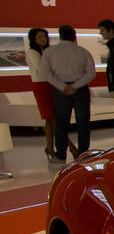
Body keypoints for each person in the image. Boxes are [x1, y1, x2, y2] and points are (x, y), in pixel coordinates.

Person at [39, 25, 95, 162]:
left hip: (61, 90)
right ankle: (83, 154)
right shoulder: (83, 52)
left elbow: (46, 73)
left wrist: (62, 86)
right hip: (80, 89)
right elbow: (91, 73)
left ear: (60, 36)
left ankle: (61, 155)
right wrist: (75, 86)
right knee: (83, 123)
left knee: (61, 123)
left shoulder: (50, 52)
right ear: (74, 36)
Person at [26, 27, 61, 159]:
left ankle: (50, 147)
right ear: (34, 39)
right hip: (41, 86)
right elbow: (42, 69)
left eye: (44, 37)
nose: (43, 39)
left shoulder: (47, 51)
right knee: (51, 117)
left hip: (50, 85)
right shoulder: (32, 52)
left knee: (50, 118)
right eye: (39, 37)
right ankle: (66, 145)